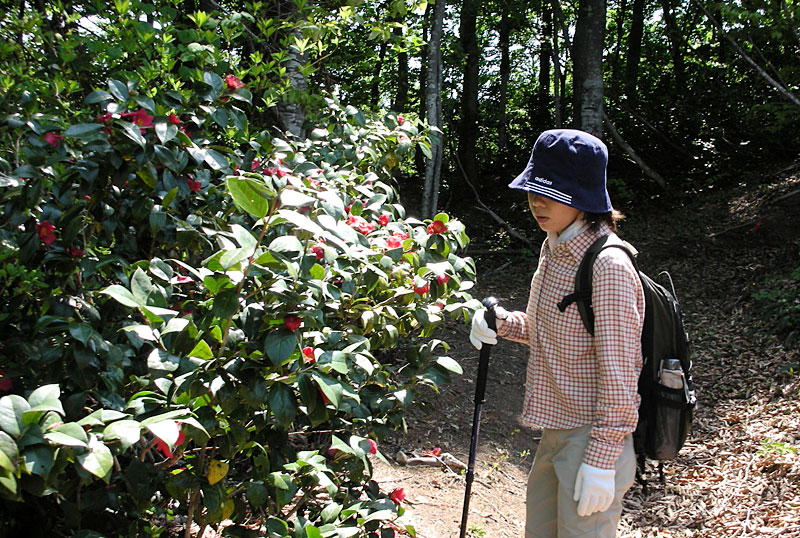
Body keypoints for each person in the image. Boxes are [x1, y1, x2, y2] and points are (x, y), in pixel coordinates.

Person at [469, 129, 645, 537]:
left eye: (552, 192)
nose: (536, 201)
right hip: (556, 432)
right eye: (533, 189)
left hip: (594, 437)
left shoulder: (608, 266)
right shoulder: (554, 248)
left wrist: (602, 459)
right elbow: (548, 330)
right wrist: (502, 324)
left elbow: (621, 372)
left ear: (584, 197)